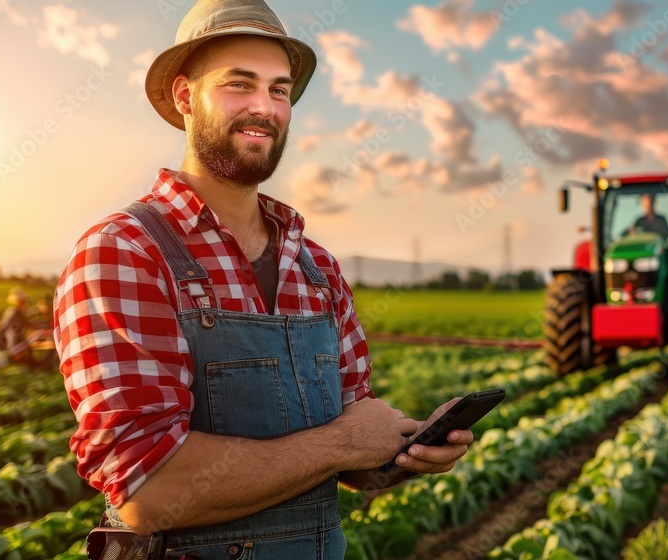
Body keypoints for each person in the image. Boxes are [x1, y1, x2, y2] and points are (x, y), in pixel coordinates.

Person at [53, 1, 473, 558]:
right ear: (185, 97)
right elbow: (149, 490)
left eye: (279, 90)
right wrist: (343, 442)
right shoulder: (126, 251)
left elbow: (346, 455)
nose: (264, 107)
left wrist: (399, 456)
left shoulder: (316, 267)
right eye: (239, 84)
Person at [0, 287, 38, 368]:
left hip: (10, 340)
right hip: (16, 342)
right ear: (18, 302)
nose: (24, 303)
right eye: (22, 301)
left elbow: (1, 326)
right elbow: (28, 325)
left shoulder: (10, 311)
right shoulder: (17, 313)